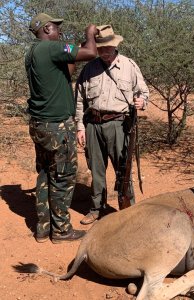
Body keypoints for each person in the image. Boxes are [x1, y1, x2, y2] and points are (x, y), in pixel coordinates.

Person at [26, 12, 98, 243]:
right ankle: (62, 231)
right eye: (56, 28)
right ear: (47, 29)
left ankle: (43, 228)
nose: (59, 32)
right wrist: (89, 34)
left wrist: (72, 54)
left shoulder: (33, 53)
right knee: (64, 177)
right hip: (58, 126)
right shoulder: (52, 47)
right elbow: (91, 53)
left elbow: (66, 72)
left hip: (40, 125)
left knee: (46, 173)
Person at [75, 24, 149, 225]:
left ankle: (128, 210)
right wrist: (80, 127)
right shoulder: (89, 68)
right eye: (100, 48)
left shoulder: (129, 66)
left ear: (115, 46)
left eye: (108, 48)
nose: (104, 52)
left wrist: (142, 102)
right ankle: (96, 208)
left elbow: (143, 92)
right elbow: (80, 100)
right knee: (96, 170)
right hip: (93, 125)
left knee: (123, 169)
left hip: (119, 125)